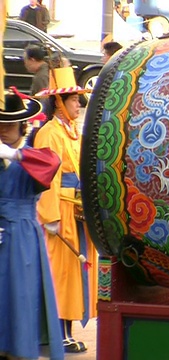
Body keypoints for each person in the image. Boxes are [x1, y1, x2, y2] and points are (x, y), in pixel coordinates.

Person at [34, 66, 98, 354]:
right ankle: (56, 333)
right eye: (74, 100)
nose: (78, 105)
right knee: (60, 272)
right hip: (60, 209)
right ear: (59, 102)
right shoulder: (49, 134)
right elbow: (47, 177)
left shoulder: (72, 132)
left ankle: (67, 331)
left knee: (74, 273)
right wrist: (50, 216)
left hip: (77, 208)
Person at [0, 89, 64, 360]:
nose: (3, 130)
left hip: (21, 238)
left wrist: (14, 156)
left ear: (21, 125)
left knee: (19, 297)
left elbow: (51, 164)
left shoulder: (31, 154)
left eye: (9, 124)